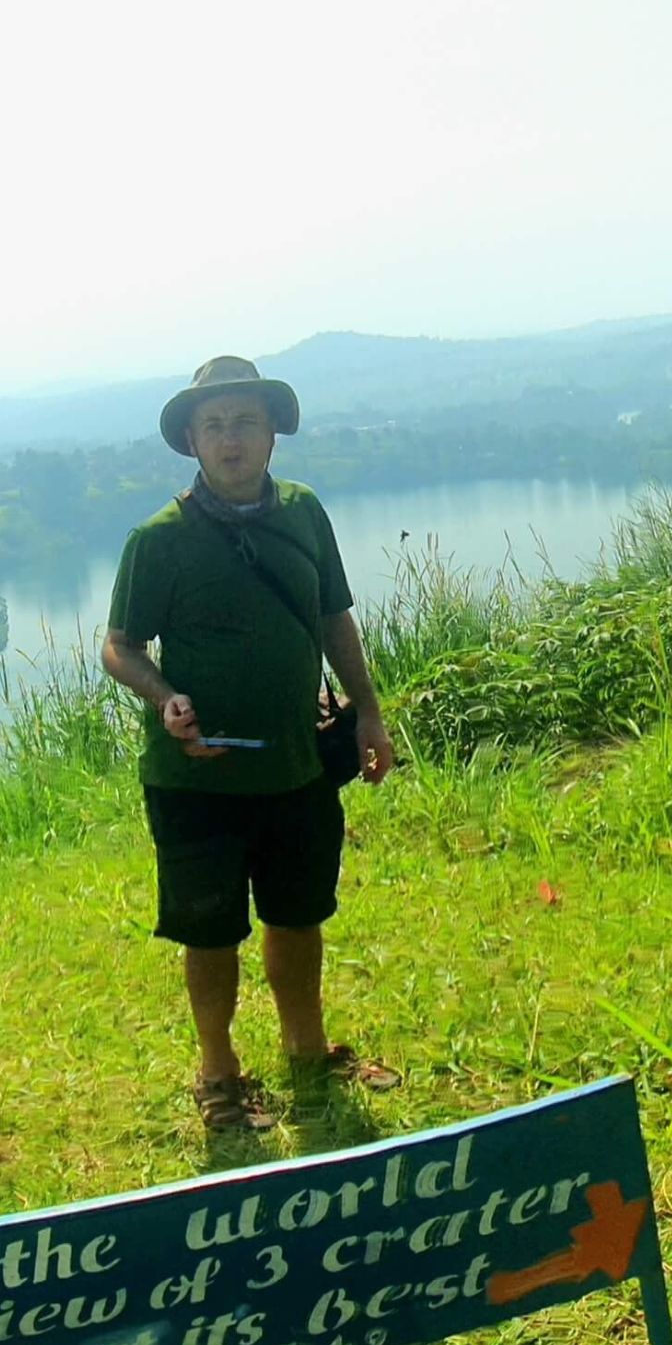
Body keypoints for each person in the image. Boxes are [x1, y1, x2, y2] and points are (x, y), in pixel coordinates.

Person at [101, 356, 400, 1134]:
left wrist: (368, 714)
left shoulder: (303, 513)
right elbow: (120, 646)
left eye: (244, 423)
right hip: (195, 779)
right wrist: (165, 699)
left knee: (298, 915)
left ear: (272, 434)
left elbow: (333, 618)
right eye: (214, 426)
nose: (230, 440)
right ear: (192, 442)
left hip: (298, 765)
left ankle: (307, 1050)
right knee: (210, 931)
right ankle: (218, 1072)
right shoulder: (159, 540)